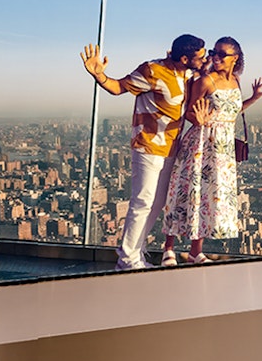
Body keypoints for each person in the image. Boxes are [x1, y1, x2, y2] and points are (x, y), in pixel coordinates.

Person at [81, 34, 207, 270]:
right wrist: (99, 74)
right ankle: (128, 259)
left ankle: (135, 252)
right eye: (200, 56)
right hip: (148, 147)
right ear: (184, 58)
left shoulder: (188, 74)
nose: (204, 59)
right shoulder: (153, 71)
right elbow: (118, 87)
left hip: (171, 148)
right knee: (142, 202)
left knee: (157, 203)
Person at [162, 37, 262, 265]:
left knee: (208, 197)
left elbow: (232, 111)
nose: (216, 57)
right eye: (214, 52)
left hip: (222, 150)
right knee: (186, 191)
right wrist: (197, 118)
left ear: (235, 58)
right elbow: (189, 111)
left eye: (222, 54)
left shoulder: (236, 81)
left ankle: (195, 252)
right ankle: (168, 247)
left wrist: (253, 99)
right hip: (200, 142)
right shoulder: (206, 81)